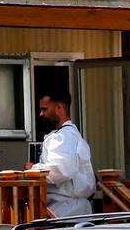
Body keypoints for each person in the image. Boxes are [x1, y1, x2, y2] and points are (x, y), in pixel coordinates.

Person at [26, 88, 96, 217]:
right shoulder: (67, 134)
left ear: (58, 108)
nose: (41, 114)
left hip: (66, 210)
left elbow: (62, 169)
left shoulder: (64, 136)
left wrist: (32, 170)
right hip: (68, 208)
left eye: (44, 109)